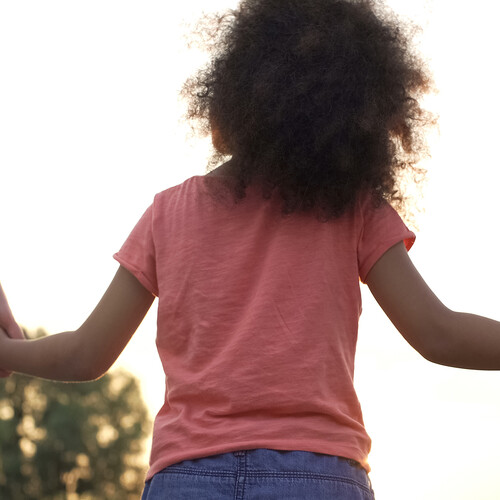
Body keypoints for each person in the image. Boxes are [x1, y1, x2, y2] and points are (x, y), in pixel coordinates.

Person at [1, 0, 500, 498]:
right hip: (316, 476)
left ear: (232, 99)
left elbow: (87, 354)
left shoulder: (168, 214)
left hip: (187, 477)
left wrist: (8, 351)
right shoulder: (353, 209)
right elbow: (440, 334)